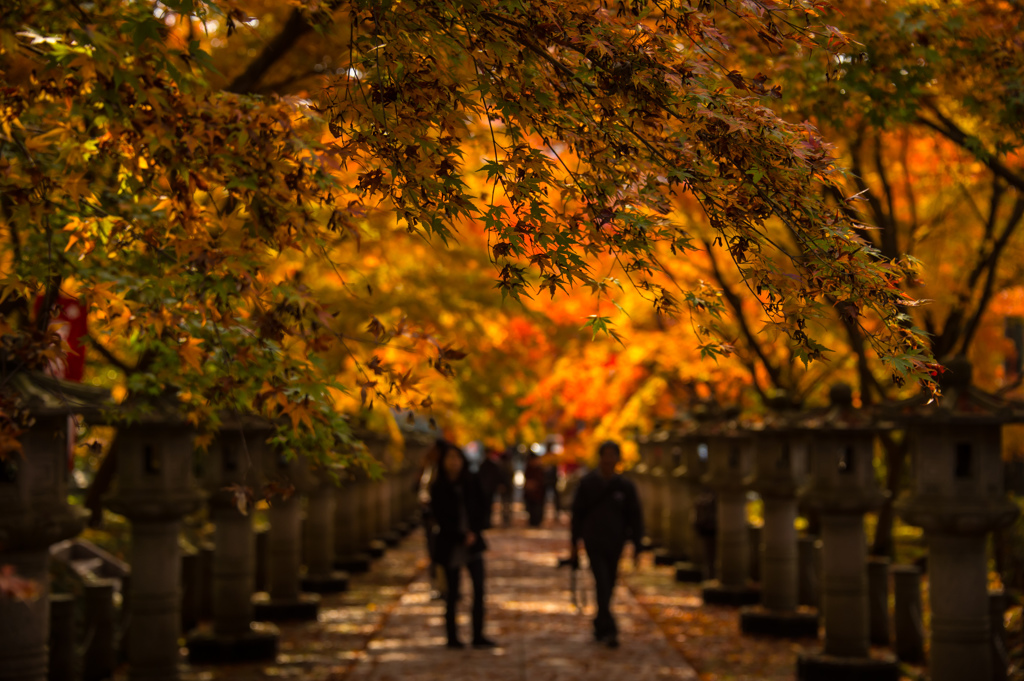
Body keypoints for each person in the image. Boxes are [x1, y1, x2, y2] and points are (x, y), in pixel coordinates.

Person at [569, 440, 643, 649]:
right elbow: (577, 515)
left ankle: (601, 622)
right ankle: (608, 627)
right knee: (601, 581)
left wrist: (637, 544)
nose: (609, 459)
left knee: (609, 583)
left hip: (616, 541)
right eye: (606, 455)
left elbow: (635, 516)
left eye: (613, 455)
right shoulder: (588, 484)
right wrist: (574, 543)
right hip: (594, 541)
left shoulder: (625, 486)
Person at [430, 442, 498, 649]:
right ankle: (452, 636)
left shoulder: (472, 482)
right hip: (451, 545)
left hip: (473, 542)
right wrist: (460, 536)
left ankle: (478, 634)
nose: (454, 463)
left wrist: (474, 532)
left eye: (457, 458)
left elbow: (483, 508)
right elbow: (440, 517)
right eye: (450, 458)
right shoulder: (438, 487)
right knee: (452, 592)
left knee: (479, 589)